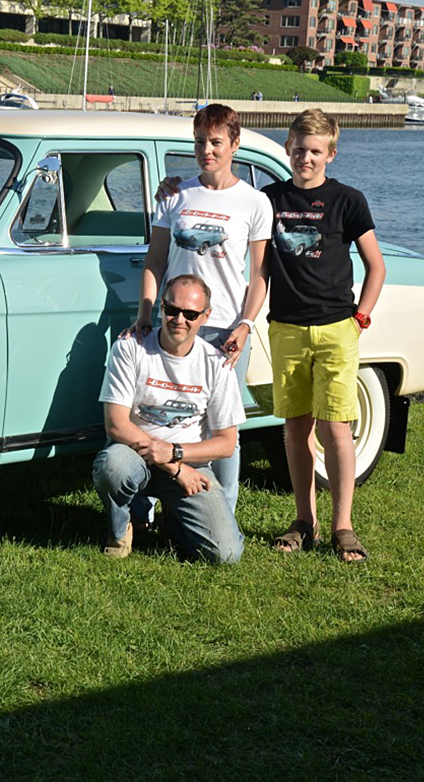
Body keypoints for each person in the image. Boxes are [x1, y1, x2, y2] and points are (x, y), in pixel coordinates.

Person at [128, 103, 271, 515]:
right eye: (199, 142)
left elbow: (259, 274)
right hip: (174, 323)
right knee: (157, 415)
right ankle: (148, 508)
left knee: (222, 428)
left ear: (234, 145)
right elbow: (155, 261)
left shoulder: (254, 202)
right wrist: (146, 312)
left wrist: (245, 325)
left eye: (216, 143)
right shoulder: (174, 193)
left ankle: (222, 511)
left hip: (223, 328)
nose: (206, 150)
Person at [265, 109, 385, 562]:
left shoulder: (348, 200)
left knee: (337, 428)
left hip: (337, 328)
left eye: (315, 151)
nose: (306, 159)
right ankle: (304, 521)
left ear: (331, 154)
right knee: (296, 427)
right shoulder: (269, 197)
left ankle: (343, 526)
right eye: (299, 150)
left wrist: (360, 318)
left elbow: (377, 266)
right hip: (287, 328)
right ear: (288, 148)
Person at [94, 274, 245, 564]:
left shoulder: (217, 365)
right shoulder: (130, 348)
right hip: (134, 454)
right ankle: (120, 529)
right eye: (171, 309)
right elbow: (115, 424)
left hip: (191, 462)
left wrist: (178, 455)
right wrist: (173, 466)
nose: (179, 319)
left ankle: (174, 520)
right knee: (112, 466)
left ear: (205, 317)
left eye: (190, 314)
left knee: (226, 555)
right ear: (160, 308)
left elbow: (227, 444)